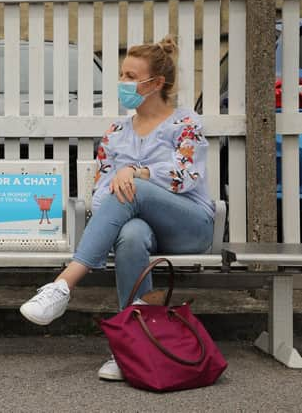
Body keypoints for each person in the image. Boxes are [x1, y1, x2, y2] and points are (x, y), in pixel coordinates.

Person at [19, 35, 214, 382]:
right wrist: (124, 189)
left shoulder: (186, 123)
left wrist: (136, 174)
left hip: (189, 225)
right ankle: (128, 350)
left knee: (132, 186)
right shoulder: (115, 132)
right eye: (121, 74)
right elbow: (100, 194)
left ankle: (63, 285)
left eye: (129, 76)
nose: (122, 83)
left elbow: (185, 177)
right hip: (142, 227)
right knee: (129, 233)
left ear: (155, 83)